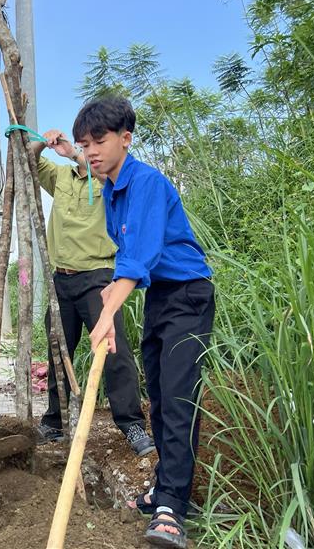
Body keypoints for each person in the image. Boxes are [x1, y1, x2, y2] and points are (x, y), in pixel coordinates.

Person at [66, 96, 214, 548]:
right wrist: (112, 294)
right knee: (162, 399)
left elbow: (143, 253)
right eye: (82, 143)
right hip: (160, 299)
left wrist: (108, 311)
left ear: (125, 139)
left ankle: (172, 506)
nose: (89, 150)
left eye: (99, 141)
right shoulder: (111, 188)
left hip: (188, 296)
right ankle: (167, 483)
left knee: (179, 398)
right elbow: (129, 260)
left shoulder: (145, 181)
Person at [33, 131, 154, 456]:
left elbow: (108, 170)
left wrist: (73, 153)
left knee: (113, 351)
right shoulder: (59, 176)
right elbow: (26, 163)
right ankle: (54, 421)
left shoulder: (108, 181)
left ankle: (131, 424)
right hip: (61, 278)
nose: (90, 151)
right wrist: (44, 143)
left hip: (98, 277)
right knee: (59, 349)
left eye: (92, 146)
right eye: (86, 145)